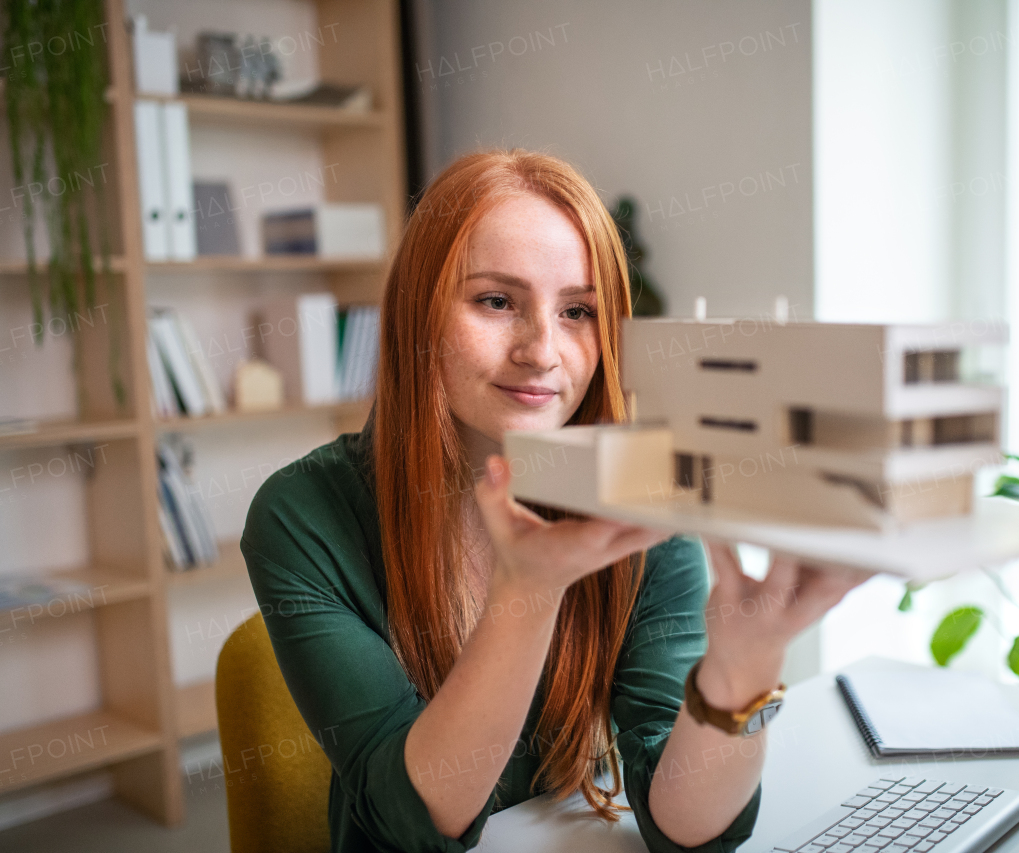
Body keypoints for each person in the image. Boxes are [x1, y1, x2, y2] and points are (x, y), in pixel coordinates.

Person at [242, 149, 869, 853]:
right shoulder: (300, 514)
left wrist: (744, 667)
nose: (543, 349)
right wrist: (529, 589)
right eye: (496, 301)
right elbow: (415, 822)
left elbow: (687, 827)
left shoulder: (642, 504)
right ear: (418, 316)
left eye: (577, 311)